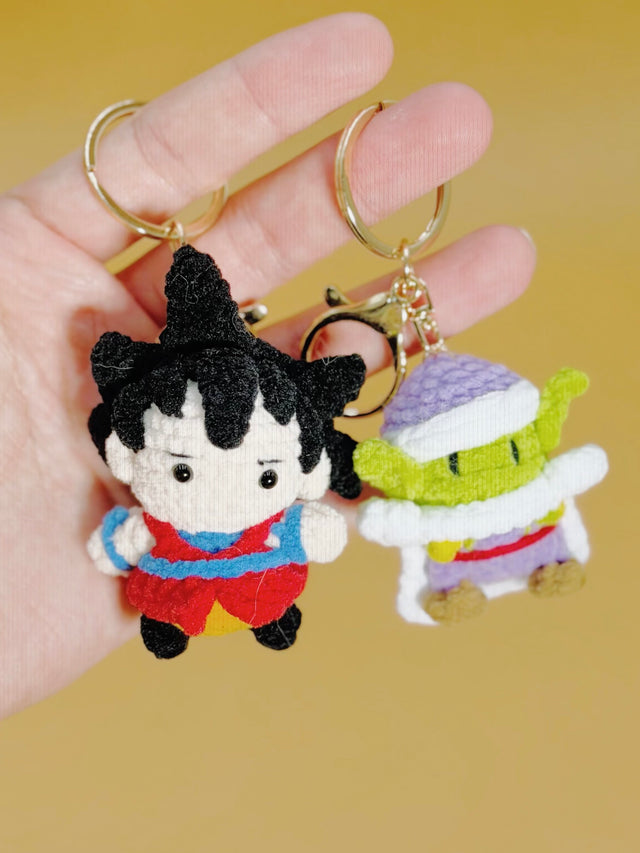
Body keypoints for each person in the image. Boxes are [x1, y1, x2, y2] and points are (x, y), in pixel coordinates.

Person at [0, 12, 535, 718]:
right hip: (178, 588)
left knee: (259, 605)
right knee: (176, 610)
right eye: (180, 471)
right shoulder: (152, 506)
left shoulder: (271, 505)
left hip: (260, 588)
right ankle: (180, 621)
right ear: (128, 454)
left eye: (268, 477)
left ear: (305, 469)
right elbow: (125, 540)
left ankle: (256, 616)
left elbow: (306, 529)